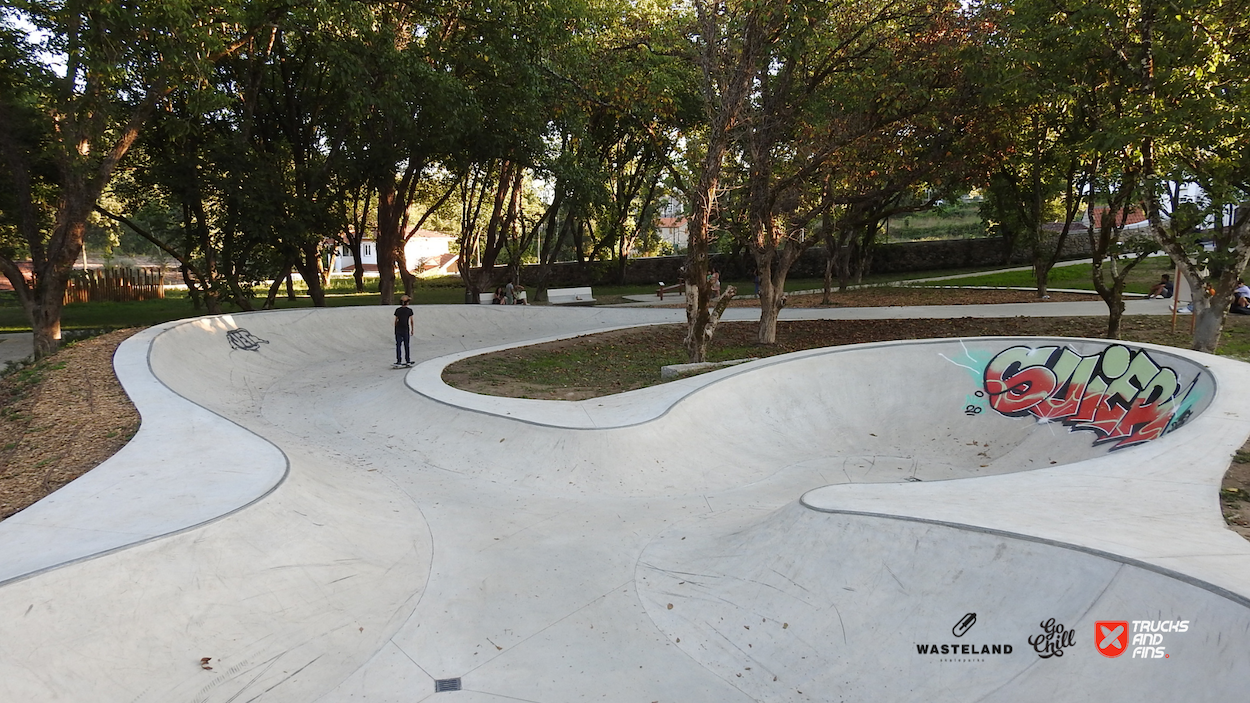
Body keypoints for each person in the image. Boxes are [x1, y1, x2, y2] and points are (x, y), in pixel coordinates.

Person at [394, 295, 414, 366]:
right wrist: (412, 330)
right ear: (407, 303)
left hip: (398, 329)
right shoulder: (409, 310)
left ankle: (398, 360)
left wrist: (395, 329)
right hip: (405, 329)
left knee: (398, 345)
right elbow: (411, 321)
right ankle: (407, 360)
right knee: (406, 345)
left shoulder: (397, 310)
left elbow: (395, 321)